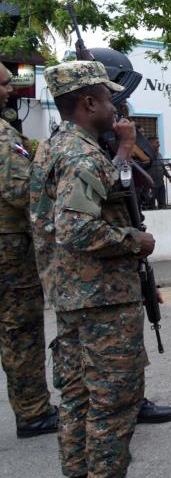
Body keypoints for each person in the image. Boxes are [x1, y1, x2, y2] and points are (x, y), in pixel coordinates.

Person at [30, 61, 156, 477]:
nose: (116, 110)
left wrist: (122, 151)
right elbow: (78, 229)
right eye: (108, 101)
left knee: (77, 401)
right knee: (113, 406)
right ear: (88, 103)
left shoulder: (55, 146)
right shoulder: (81, 155)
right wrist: (133, 242)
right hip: (101, 300)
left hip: (71, 296)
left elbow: (109, 191)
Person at [0, 63, 59, 439]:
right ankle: (33, 412)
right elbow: (20, 191)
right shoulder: (3, 138)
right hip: (10, 252)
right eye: (4, 84)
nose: (9, 90)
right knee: (20, 332)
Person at [146, 136, 171, 209]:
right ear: (150, 144)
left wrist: (169, 177)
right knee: (150, 207)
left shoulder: (160, 155)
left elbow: (163, 168)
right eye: (157, 143)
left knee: (163, 206)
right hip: (150, 186)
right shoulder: (145, 156)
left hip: (161, 185)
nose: (159, 145)